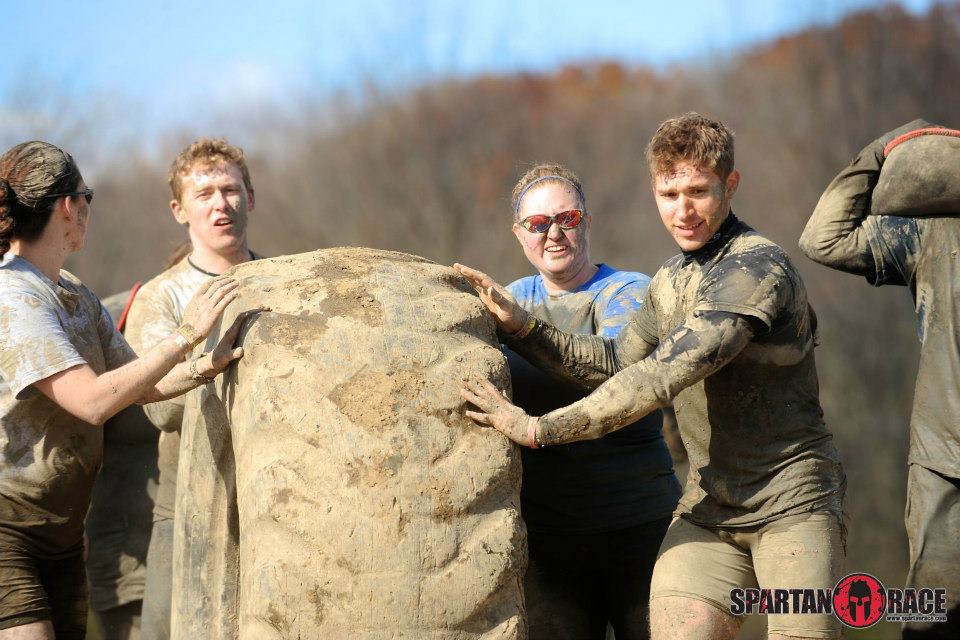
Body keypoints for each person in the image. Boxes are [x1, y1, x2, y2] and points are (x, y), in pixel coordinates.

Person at [456, 113, 847, 640]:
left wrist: (537, 429)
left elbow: (657, 377)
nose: (683, 211)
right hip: (708, 508)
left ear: (730, 185)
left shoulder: (755, 270)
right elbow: (617, 360)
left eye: (698, 192)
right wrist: (525, 328)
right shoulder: (671, 279)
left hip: (793, 502)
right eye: (669, 194)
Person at [0, 141, 257, 640]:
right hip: (7, 528)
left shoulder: (72, 292)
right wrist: (185, 334)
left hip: (61, 532)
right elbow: (94, 401)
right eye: (87, 197)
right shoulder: (14, 297)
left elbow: (145, 383)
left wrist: (209, 363)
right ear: (69, 207)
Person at [502, 163, 680, 640]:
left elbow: (617, 371)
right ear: (520, 234)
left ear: (587, 221)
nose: (554, 234)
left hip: (640, 525)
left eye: (568, 219)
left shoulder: (630, 291)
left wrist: (523, 328)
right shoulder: (506, 301)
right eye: (538, 225)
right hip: (548, 541)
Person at [800, 120, 960, 639]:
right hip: (946, 464)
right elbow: (823, 238)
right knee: (934, 618)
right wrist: (881, 151)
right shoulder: (936, 234)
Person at [124, 138, 260, 640]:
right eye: (203, 194)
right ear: (179, 210)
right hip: (187, 504)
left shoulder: (288, 284)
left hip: (275, 496)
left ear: (252, 196)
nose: (220, 204)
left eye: (230, 189)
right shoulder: (160, 297)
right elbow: (157, 407)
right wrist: (213, 364)